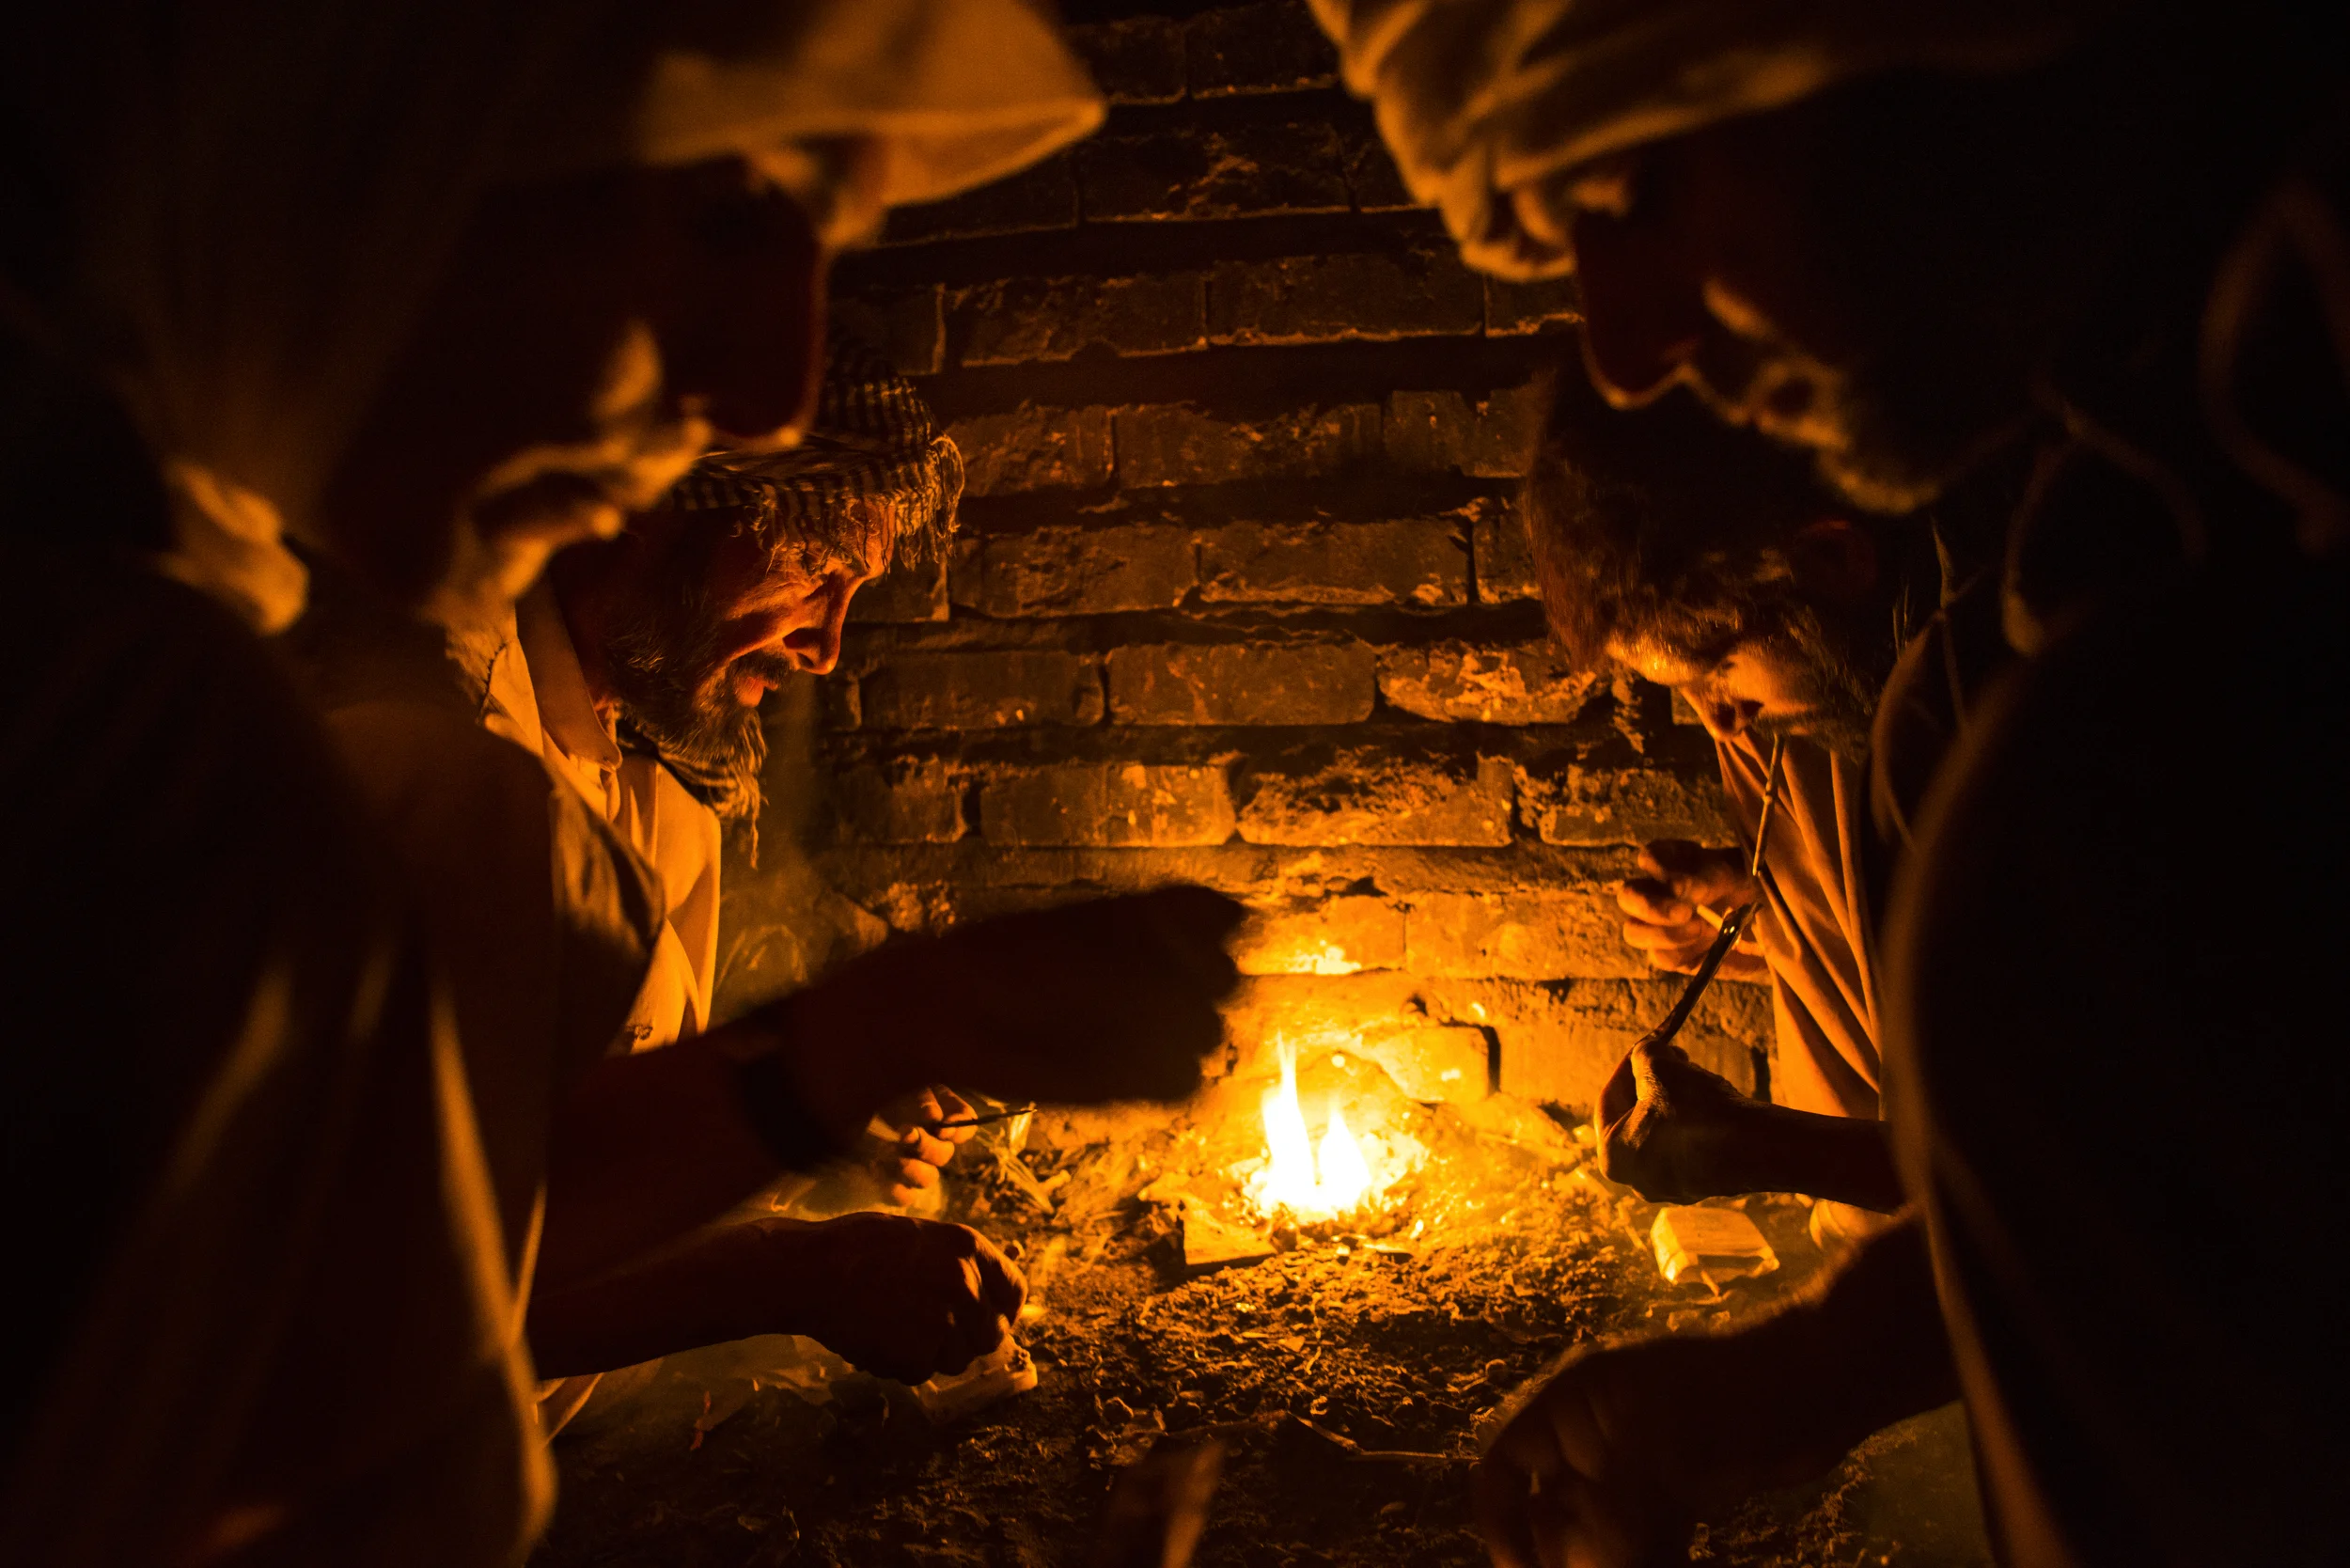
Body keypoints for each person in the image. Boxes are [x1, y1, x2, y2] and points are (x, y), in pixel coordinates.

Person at [0, 6, 1246, 1565]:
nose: (770, 383)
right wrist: (804, 1222)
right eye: (725, 213)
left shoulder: (194, 668)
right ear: (364, 130)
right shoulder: (174, 732)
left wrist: (877, 1034)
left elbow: (423, 1214)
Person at [1312, 1, 2350, 1563]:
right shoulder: (2150, 501)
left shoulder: (2119, 622)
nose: (1624, 340)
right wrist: (1797, 1378)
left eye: (1626, 195)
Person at [1523, 368, 1947, 1217]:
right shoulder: (1803, 715)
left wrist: (1770, 1147)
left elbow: (2066, 1165)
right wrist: (1761, 911)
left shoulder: (2005, 705)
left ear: (1832, 557)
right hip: (1877, 1270)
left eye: (1716, 670)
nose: (1720, 720)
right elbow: (1884, 963)